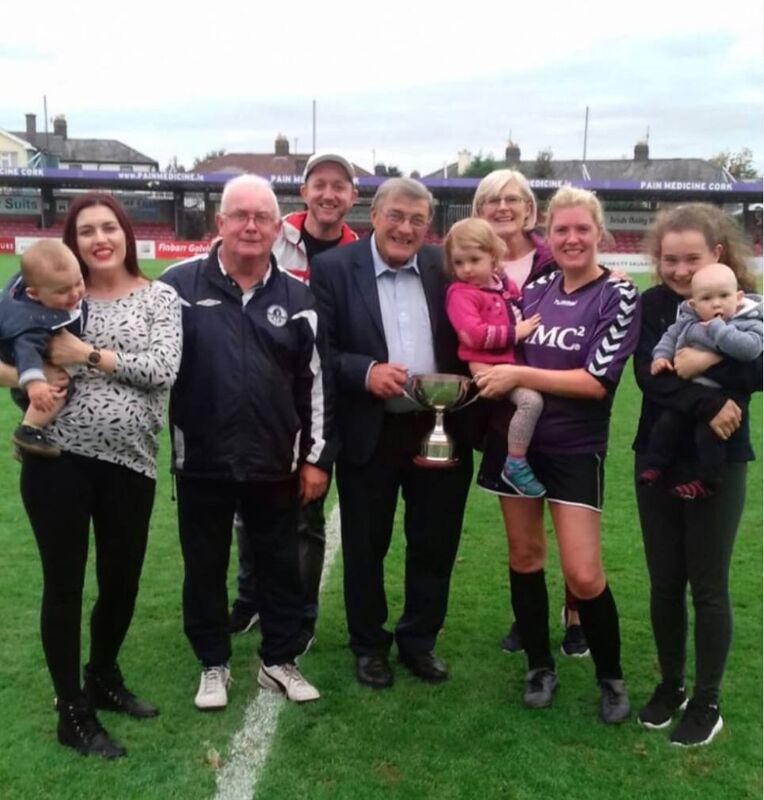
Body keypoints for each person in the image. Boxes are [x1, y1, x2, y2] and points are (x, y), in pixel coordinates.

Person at [7, 193, 182, 759]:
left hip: (130, 462)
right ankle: (71, 712)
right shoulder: (44, 297)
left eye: (109, 227)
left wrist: (87, 354)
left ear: (127, 233)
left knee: (122, 581)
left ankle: (102, 675)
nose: (100, 238)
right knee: (65, 584)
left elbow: (162, 371)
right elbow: (10, 358)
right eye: (86, 231)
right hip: (57, 460)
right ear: (71, 240)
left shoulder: (160, 296)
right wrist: (29, 376)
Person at [160, 174, 332, 710]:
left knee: (280, 565)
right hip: (201, 459)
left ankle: (278, 660)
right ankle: (213, 664)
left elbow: (317, 386)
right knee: (204, 566)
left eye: (262, 217)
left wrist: (315, 458)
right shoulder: (176, 286)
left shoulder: (299, 298)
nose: (251, 226)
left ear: (278, 227)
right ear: (221, 223)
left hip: (275, 462)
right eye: (241, 215)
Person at [474, 187, 640, 723]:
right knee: (525, 557)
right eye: (562, 229)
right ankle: (539, 665)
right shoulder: (536, 287)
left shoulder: (618, 294)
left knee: (584, 573)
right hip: (516, 444)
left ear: (599, 234)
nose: (571, 238)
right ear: (549, 233)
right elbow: (498, 339)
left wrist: (519, 374)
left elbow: (595, 382)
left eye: (582, 229)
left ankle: (610, 678)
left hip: (573, 448)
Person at [310, 177, 474, 689]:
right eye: (397, 216)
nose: (406, 228)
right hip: (371, 429)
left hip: (439, 427)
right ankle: (368, 644)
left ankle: (419, 641)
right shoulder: (334, 269)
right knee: (365, 544)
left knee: (435, 541)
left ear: (430, 226)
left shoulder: (445, 267)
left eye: (418, 220)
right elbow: (319, 350)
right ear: (375, 216)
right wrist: (365, 372)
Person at [633, 203, 760, 746]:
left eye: (692, 259)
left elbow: (757, 365)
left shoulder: (744, 301)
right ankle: (671, 685)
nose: (681, 270)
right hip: (657, 456)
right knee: (665, 581)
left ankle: (707, 700)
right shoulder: (652, 305)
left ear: (717, 253)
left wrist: (705, 361)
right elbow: (649, 376)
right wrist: (706, 403)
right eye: (670, 260)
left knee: (708, 586)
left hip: (720, 458)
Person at [229, 152, 358, 641]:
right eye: (319, 184)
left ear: (352, 197)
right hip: (264, 402)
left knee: (306, 515)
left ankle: (301, 612)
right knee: (248, 505)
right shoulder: (271, 235)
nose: (329, 194)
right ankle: (249, 597)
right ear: (303, 192)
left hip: (328, 400)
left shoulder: (358, 253)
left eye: (339, 186)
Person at [472, 169, 588, 657]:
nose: (503, 206)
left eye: (513, 199)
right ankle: (529, 619)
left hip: (563, 417)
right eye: (492, 199)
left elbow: (592, 286)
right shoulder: (467, 261)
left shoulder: (552, 258)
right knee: (522, 536)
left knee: (572, 535)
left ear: (529, 209)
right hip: (503, 416)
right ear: (479, 209)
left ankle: (576, 615)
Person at [639, 262, 762, 500]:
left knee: (709, 436)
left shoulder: (749, 321)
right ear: (694, 303)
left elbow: (750, 351)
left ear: (738, 297)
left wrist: (715, 339)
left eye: (724, 296)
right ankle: (655, 466)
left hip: (727, 396)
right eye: (707, 299)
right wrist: (661, 357)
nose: (716, 303)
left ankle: (708, 482)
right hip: (693, 390)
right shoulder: (689, 318)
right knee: (667, 423)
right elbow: (669, 336)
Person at [443, 217, 544, 496]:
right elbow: (472, 335)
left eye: (474, 259)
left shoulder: (502, 284)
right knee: (530, 401)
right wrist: (516, 333)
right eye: (459, 262)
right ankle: (514, 463)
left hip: (508, 362)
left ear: (493, 255)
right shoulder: (460, 293)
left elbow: (519, 303)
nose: (466, 269)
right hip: (485, 365)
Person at [0, 240, 85, 456]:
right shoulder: (32, 322)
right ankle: (28, 430)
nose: (75, 294)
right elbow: (26, 350)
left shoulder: (27, 294)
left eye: (78, 283)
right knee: (62, 386)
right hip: (31, 378)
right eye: (62, 291)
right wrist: (35, 383)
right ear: (34, 294)